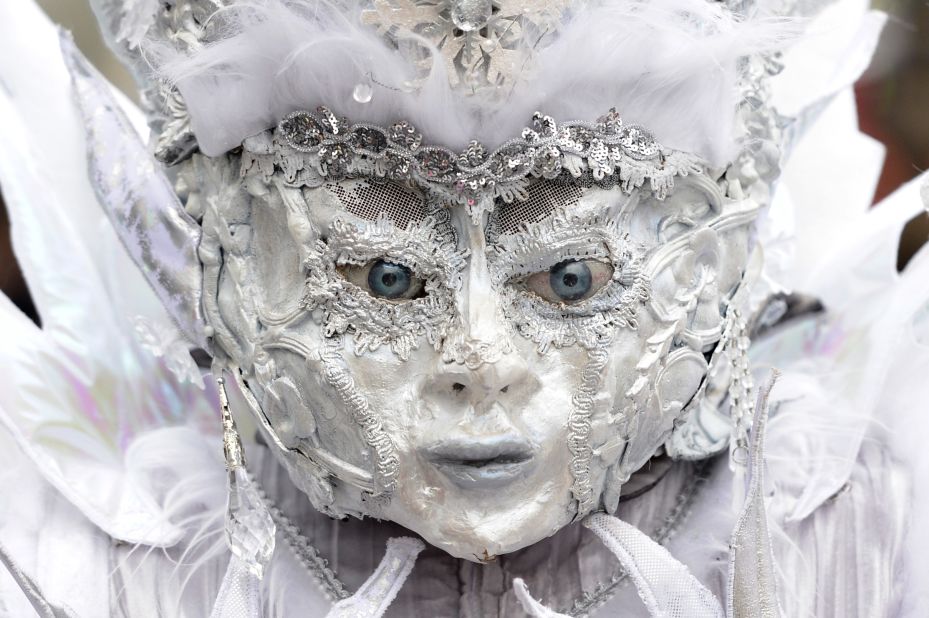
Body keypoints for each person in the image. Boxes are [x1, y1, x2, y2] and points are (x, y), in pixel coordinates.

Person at [1, 0, 927, 616]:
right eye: (386, 278)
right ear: (230, 252)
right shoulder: (105, 567)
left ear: (710, 256)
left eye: (572, 279)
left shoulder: (863, 536)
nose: (480, 364)